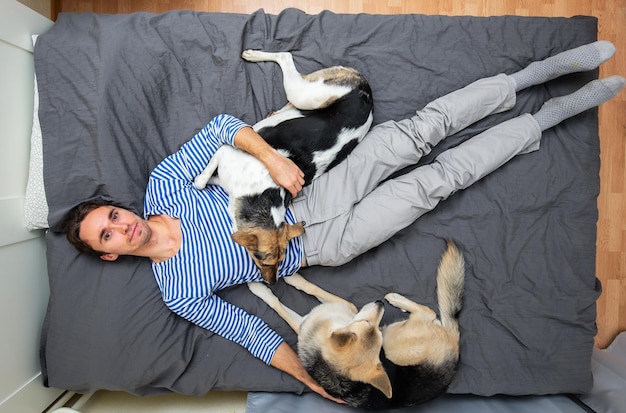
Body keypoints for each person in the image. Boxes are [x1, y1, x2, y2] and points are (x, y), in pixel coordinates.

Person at [64, 41, 624, 402]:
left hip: (306, 190)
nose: (121, 226)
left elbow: (219, 129)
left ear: (123, 207)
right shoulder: (176, 289)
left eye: (113, 215)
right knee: (435, 184)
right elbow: (252, 333)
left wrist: (272, 159)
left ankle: (531, 76)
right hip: (321, 246)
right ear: (110, 253)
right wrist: (313, 381)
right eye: (107, 236)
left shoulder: (163, 186)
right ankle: (546, 120)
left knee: (416, 134)